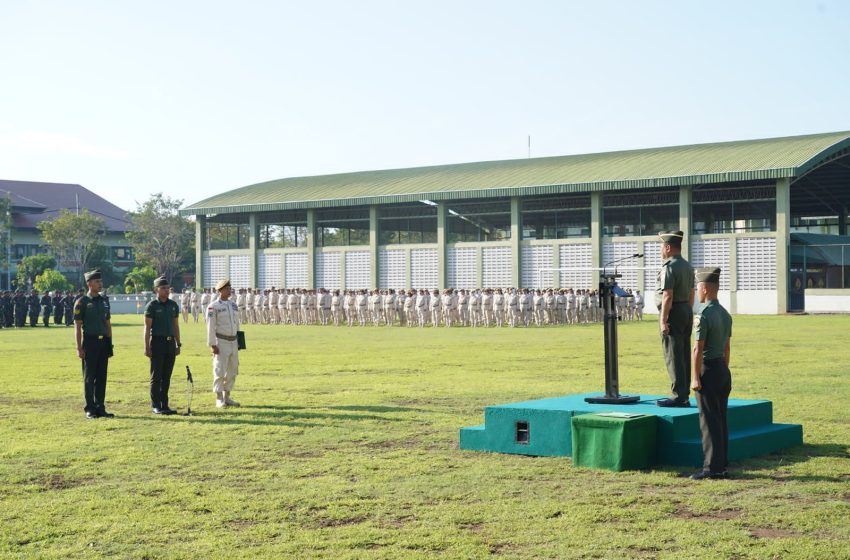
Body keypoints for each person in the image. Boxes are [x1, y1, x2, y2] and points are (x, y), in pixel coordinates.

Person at [690, 267, 732, 480]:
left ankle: (711, 468)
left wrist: (695, 377)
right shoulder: (725, 314)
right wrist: (724, 369)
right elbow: (727, 348)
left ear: (705, 289)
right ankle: (722, 463)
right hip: (723, 369)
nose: (697, 291)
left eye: (698, 288)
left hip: (708, 369)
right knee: (721, 418)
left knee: (708, 420)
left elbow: (697, 349)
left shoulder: (703, 314)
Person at [655, 230, 695, 407]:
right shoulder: (687, 266)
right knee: (684, 353)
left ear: (668, 247)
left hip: (673, 311)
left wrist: (663, 320)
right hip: (685, 309)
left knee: (673, 354)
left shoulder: (669, 267)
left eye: (661, 247)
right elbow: (692, 292)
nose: (661, 251)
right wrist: (688, 310)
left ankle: (679, 395)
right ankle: (684, 394)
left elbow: (667, 295)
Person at [74, 269, 114, 419]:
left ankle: (100, 407)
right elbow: (77, 326)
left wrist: (109, 342)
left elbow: (108, 323)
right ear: (89, 284)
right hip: (90, 342)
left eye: (100, 281)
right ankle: (90, 408)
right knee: (89, 377)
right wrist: (79, 347)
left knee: (102, 376)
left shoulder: (104, 301)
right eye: (97, 281)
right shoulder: (82, 302)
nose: (100, 284)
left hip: (103, 341)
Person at [144, 276, 182, 415]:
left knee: (167, 376)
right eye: (163, 288)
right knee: (156, 376)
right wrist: (146, 347)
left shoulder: (173, 305)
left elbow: (175, 325)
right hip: (157, 342)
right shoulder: (152, 306)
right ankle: (156, 404)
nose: (167, 290)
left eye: (167, 288)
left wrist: (178, 343)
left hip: (170, 342)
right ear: (156, 290)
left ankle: (165, 404)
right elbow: (147, 328)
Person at [206, 278, 241, 408]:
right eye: (226, 288)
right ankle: (219, 397)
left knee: (233, 370)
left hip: (233, 341)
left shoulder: (233, 305)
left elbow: (237, 324)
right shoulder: (213, 306)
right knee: (219, 370)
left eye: (230, 288)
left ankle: (227, 396)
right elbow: (210, 326)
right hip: (221, 341)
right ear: (220, 291)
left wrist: (239, 341)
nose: (229, 290)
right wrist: (212, 344)